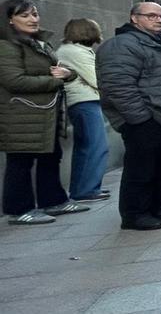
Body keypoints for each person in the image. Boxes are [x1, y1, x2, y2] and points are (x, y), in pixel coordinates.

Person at [96, 2, 161, 231]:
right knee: (141, 168)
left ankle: (156, 205)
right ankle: (135, 214)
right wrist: (140, 118)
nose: (158, 20)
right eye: (151, 16)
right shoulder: (122, 45)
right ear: (134, 18)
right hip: (147, 119)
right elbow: (118, 86)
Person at [0, 0, 88, 225]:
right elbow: (13, 80)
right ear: (10, 20)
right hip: (21, 116)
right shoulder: (7, 46)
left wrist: (68, 75)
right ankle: (19, 209)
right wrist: (53, 80)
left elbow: (60, 72)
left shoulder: (38, 43)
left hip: (46, 114)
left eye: (35, 14)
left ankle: (54, 200)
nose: (33, 20)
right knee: (20, 162)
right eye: (25, 16)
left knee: (51, 157)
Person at [56, 18, 110, 202]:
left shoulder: (70, 50)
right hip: (85, 101)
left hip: (81, 102)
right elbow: (96, 79)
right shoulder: (76, 52)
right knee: (96, 146)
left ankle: (84, 188)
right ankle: (86, 190)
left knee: (86, 147)